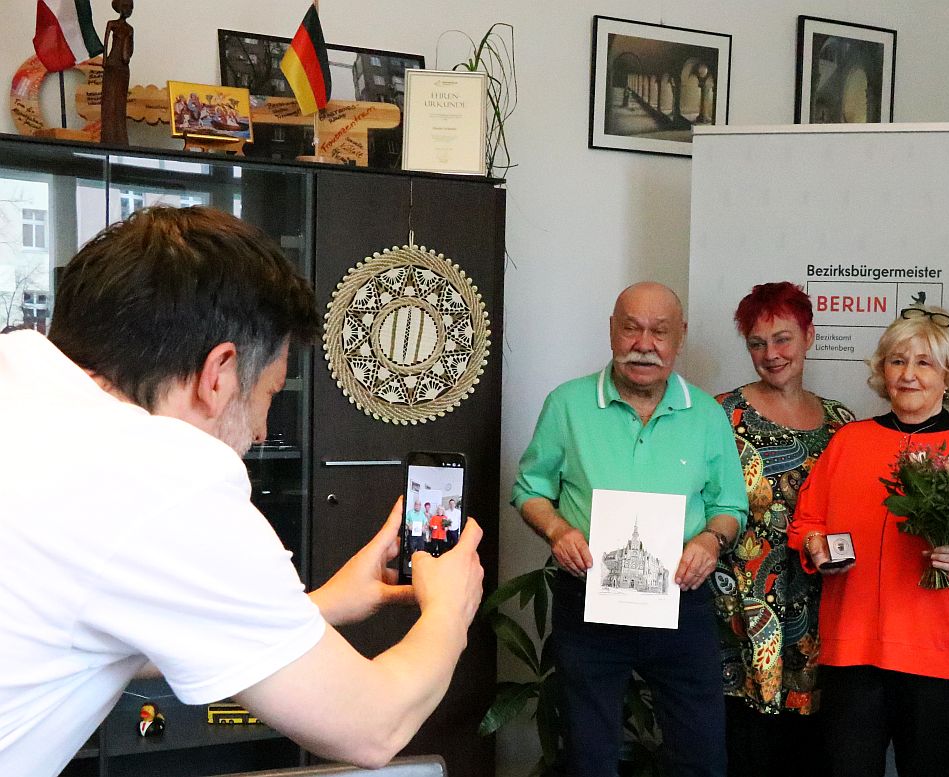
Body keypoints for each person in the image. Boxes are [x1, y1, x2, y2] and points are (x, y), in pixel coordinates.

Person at [0, 206, 484, 777]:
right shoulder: (166, 478)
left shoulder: (19, 370)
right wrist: (450, 608)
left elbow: (92, 630)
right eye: (270, 395)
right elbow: (373, 726)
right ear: (219, 374)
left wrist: (322, 605)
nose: (259, 432)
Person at [512, 281, 748, 777]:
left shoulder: (707, 414)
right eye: (631, 328)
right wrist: (558, 531)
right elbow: (529, 489)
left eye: (659, 331)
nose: (645, 344)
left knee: (703, 757)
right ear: (612, 332)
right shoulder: (568, 404)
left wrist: (711, 539)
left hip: (683, 601)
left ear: (679, 337)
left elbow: (730, 505)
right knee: (588, 756)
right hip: (589, 602)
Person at [787, 306, 949, 777]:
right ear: (882, 372)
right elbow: (808, 519)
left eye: (924, 363)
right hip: (854, 647)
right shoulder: (849, 442)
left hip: (938, 650)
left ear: (948, 375)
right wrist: (815, 546)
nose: (908, 375)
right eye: (897, 362)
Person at [711, 282, 854, 775]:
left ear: (809, 336)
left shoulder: (842, 423)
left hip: (818, 608)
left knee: (810, 752)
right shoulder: (719, 415)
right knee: (746, 750)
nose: (770, 354)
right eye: (757, 343)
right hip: (741, 611)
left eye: (783, 338)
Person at [99, 0, 133, 146]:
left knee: (119, 103)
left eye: (130, 7)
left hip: (122, 68)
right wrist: (105, 60)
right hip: (112, 65)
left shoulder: (130, 29)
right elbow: (106, 44)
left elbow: (128, 53)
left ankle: (119, 137)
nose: (128, 10)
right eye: (125, 6)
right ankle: (108, 136)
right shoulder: (112, 24)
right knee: (109, 101)